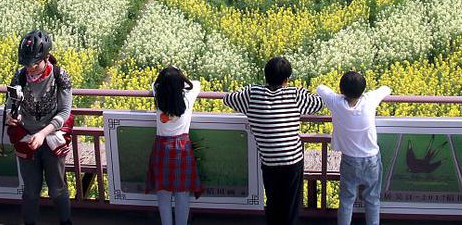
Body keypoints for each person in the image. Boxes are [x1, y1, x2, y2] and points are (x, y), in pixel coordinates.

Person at [225, 57, 322, 225]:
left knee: (273, 202)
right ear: (286, 79)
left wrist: (249, 88)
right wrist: (303, 91)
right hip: (292, 161)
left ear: (265, 76)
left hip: (269, 162)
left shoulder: (252, 94)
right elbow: (318, 103)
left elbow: (228, 99)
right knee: (290, 206)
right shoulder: (294, 94)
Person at [4, 30, 73, 225]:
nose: (30, 68)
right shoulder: (20, 76)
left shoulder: (60, 76)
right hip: (26, 138)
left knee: (57, 188)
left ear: (45, 57)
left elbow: (64, 112)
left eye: (35, 63)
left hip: (51, 138)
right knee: (31, 191)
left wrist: (43, 133)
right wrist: (12, 116)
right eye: (27, 64)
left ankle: (66, 221)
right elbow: (13, 104)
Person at [317, 72, 391, 225]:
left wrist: (338, 95)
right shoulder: (369, 100)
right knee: (372, 199)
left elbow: (320, 88)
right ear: (363, 90)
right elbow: (386, 89)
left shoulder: (336, 102)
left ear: (342, 90)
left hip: (349, 160)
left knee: (346, 200)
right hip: (371, 160)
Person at [147, 67, 202, 225]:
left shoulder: (158, 96)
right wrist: (182, 79)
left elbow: (154, 84)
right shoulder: (188, 97)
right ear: (180, 84)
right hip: (182, 148)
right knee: (182, 195)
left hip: (162, 148)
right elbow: (196, 84)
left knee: (163, 196)